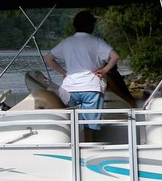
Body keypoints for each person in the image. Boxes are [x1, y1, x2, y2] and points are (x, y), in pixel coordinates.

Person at [44, 11, 120, 141]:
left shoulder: (67, 42)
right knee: (90, 126)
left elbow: (48, 58)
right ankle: (89, 148)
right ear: (91, 26)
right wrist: (104, 70)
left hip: (69, 88)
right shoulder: (96, 41)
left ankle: (72, 147)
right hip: (91, 87)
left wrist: (64, 73)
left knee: (69, 122)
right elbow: (115, 56)